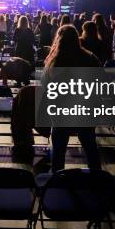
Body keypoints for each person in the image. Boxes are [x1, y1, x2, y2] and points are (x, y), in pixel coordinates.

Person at [44, 25, 101, 172]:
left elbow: (46, 87)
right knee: (90, 148)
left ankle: (57, 184)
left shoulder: (54, 61)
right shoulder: (90, 57)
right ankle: (98, 181)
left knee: (59, 151)